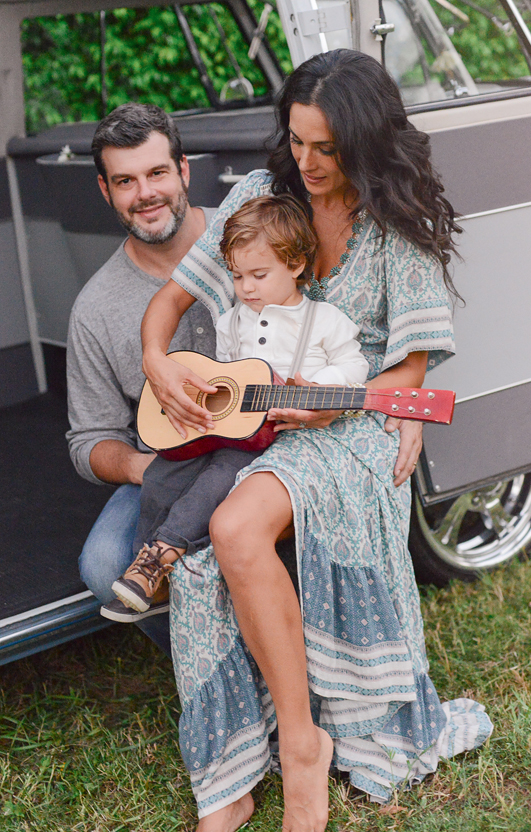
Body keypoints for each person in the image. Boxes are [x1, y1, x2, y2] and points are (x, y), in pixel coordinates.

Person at [139, 50, 490, 832]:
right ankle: (233, 767)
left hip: (354, 424)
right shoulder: (262, 195)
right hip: (256, 423)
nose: (307, 162)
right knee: (202, 561)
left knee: (231, 526)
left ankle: (303, 748)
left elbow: (411, 373)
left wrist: (346, 404)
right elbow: (169, 302)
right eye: (296, 141)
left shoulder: (402, 225)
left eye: (326, 147)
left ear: (366, 140)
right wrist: (157, 360)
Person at [110, 194, 370, 615]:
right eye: (237, 276)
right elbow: (229, 373)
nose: (246, 287)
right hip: (229, 430)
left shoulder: (323, 320)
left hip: (277, 441)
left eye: (259, 274)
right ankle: (147, 573)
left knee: (215, 482)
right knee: (162, 476)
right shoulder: (231, 321)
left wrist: (319, 385)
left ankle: (162, 555)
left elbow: (355, 365)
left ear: (296, 265)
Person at [67, 102, 215, 644]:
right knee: (106, 564)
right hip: (172, 463)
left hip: (270, 445)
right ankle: (204, 665)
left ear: (184, 171)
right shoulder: (96, 307)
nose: (146, 193)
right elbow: (88, 440)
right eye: (125, 181)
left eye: (157, 173)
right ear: (106, 192)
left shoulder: (248, 235)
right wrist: (143, 468)